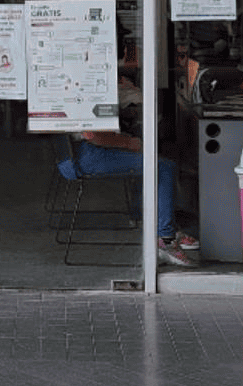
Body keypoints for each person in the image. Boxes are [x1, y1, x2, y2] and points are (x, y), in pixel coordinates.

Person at [75, 74, 199, 267]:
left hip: (84, 153)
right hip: (91, 155)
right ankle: (165, 238)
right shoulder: (86, 88)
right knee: (163, 167)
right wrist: (127, 143)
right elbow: (94, 137)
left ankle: (161, 226)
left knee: (154, 162)